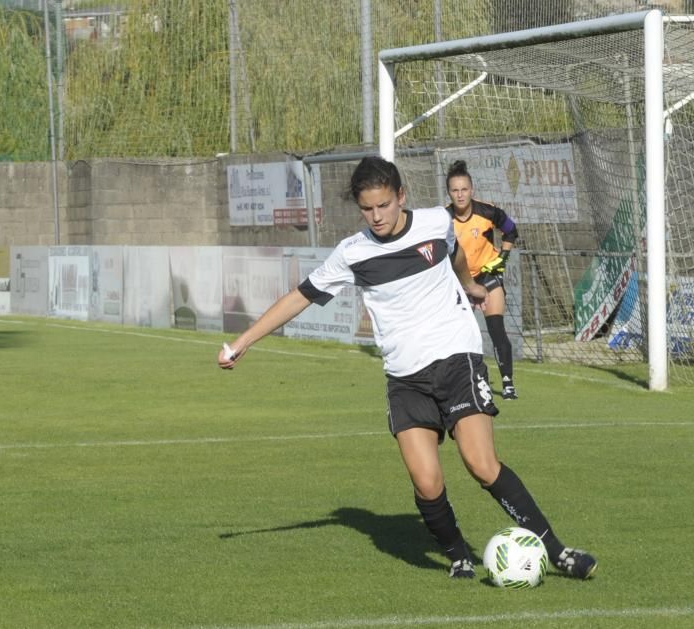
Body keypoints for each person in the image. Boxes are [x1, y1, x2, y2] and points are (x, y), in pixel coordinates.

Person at [218, 156, 596, 580]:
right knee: (427, 482)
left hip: (457, 357)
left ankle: (558, 551)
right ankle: (458, 556)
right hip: (405, 377)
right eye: (367, 209)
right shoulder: (352, 253)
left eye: (383, 205)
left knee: (480, 462)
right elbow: (299, 297)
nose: (376, 216)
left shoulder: (436, 222)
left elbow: (453, 256)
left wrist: (469, 284)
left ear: (401, 196)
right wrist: (243, 342)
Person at [445, 159, 520, 400]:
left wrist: (503, 259)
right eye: (455, 190)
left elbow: (511, 230)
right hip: (459, 281)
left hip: (487, 277)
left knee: (496, 328)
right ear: (449, 193)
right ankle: (462, 381)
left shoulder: (487, 212)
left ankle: (507, 384)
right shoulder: (443, 218)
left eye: (464, 189)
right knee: (456, 334)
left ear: (472, 190)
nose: (460, 195)